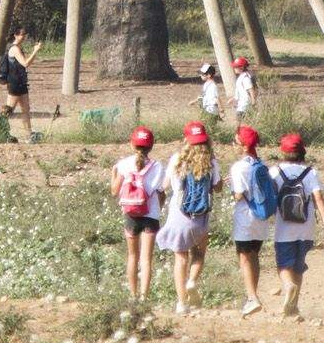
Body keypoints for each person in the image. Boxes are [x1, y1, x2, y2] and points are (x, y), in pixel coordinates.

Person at [156, 122, 220, 313]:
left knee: (180, 258)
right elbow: (217, 188)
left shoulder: (177, 159)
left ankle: (182, 303)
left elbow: (164, 185)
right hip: (201, 217)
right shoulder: (211, 161)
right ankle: (191, 281)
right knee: (199, 254)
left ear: (186, 139)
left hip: (179, 214)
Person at [269, 130, 324, 321]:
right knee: (298, 266)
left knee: (283, 265)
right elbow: (318, 198)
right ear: (303, 151)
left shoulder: (275, 172)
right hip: (306, 227)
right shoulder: (311, 172)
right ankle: (293, 308)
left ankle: (288, 286)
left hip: (284, 227)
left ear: (282, 151)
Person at [228, 124, 280, 316]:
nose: (233, 145)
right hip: (261, 217)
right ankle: (253, 295)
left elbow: (238, 195)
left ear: (243, 146)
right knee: (254, 255)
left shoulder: (238, 167)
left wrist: (232, 189)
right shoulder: (262, 165)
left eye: (235, 142)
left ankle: (252, 298)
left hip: (245, 216)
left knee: (244, 256)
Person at [110, 124, 165, 301]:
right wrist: (159, 208)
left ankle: (133, 295)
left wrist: (113, 174)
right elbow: (160, 192)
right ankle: (144, 296)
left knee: (132, 256)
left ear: (131, 144)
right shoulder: (158, 166)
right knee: (146, 259)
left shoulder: (124, 164)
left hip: (130, 214)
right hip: (151, 215)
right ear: (152, 146)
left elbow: (114, 191)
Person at [0, 29, 39, 140]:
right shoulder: (14, 49)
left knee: (26, 109)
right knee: (8, 109)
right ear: (16, 35)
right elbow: (25, 63)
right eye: (22, 35)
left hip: (22, 83)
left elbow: (25, 64)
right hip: (14, 83)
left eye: (25, 34)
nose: (24, 37)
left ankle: (29, 134)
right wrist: (35, 51)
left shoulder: (19, 48)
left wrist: (35, 52)